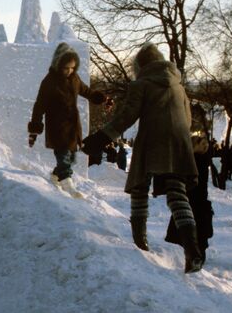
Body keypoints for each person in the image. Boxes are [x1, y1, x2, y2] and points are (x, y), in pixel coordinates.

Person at [82, 43, 203, 273]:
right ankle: (192, 250)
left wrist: (100, 138)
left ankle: (140, 243)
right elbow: (187, 119)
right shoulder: (178, 85)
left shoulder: (141, 84)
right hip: (178, 142)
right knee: (177, 194)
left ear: (141, 65)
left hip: (152, 140)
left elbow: (127, 116)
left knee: (139, 186)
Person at [28, 42, 111, 196]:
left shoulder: (75, 79)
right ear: (58, 64)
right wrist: (34, 129)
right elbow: (39, 105)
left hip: (72, 125)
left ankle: (55, 176)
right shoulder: (49, 81)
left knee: (72, 158)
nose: (69, 71)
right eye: (66, 68)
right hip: (57, 125)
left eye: (72, 67)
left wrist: (103, 99)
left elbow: (87, 91)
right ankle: (67, 182)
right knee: (63, 155)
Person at [166, 132, 214, 262]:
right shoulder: (200, 159)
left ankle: (186, 258)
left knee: (186, 230)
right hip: (197, 201)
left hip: (193, 201)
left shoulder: (195, 160)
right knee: (197, 233)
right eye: (203, 144)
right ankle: (193, 257)